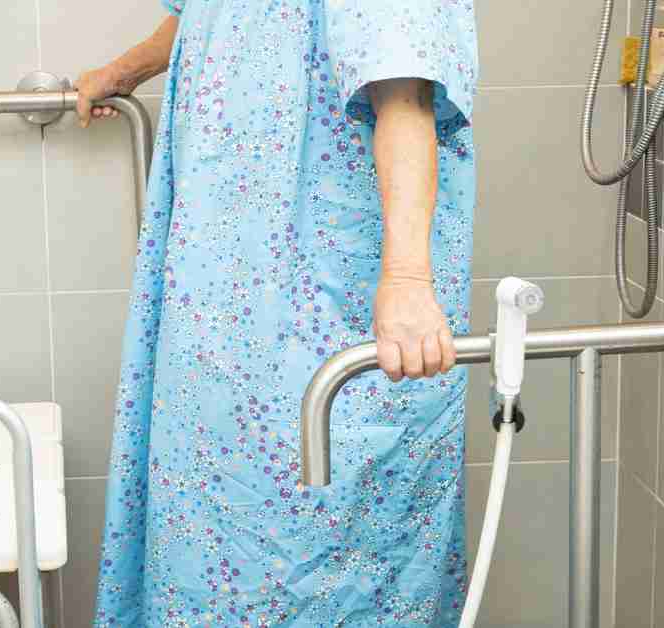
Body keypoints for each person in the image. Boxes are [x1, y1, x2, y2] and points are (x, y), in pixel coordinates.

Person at [77, 1, 477, 625]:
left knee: (322, 524)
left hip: (322, 290)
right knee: (223, 509)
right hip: (229, 286)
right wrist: (125, 71)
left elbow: (402, 89)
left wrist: (406, 278)